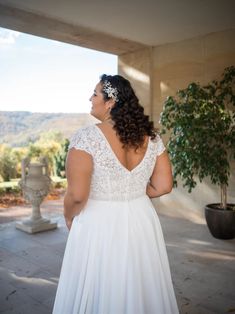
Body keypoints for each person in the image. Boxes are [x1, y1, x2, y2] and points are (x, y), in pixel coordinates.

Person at [53, 74, 179, 314]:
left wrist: (69, 216)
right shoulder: (151, 138)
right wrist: (131, 191)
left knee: (101, 283)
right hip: (142, 218)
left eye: (95, 93)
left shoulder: (87, 137)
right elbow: (163, 185)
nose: (90, 98)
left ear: (110, 102)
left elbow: (77, 195)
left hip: (99, 222)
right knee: (140, 283)